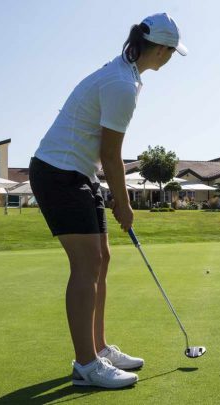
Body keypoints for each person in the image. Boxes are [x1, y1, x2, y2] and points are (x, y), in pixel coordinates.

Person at [29, 13, 187, 389]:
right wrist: (125, 202)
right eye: (170, 52)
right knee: (86, 265)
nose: (168, 58)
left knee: (102, 259)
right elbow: (111, 154)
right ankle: (86, 365)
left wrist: (113, 194)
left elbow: (104, 155)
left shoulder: (126, 74)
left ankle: (98, 349)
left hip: (79, 173)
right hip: (58, 173)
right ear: (161, 50)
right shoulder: (121, 84)